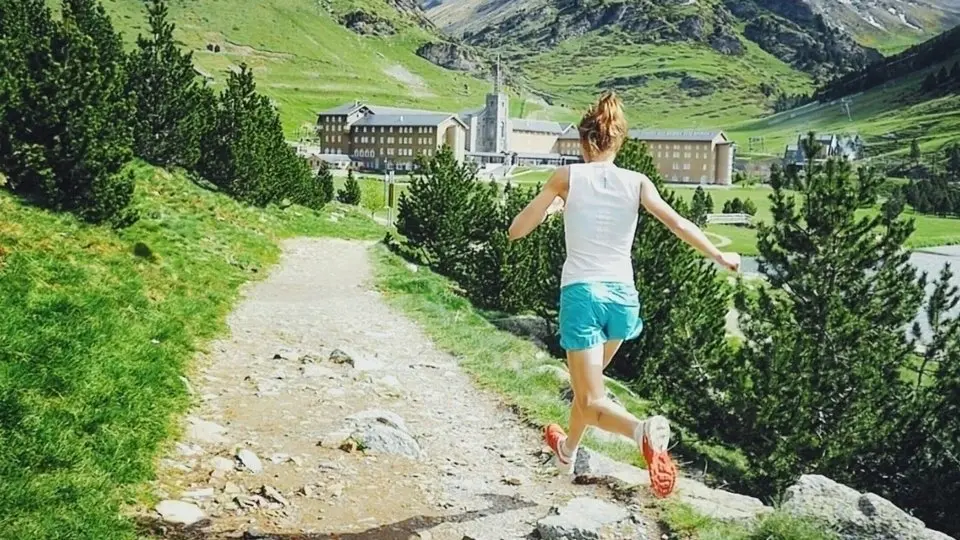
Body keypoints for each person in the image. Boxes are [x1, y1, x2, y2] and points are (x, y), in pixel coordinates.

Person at [507, 92, 740, 499]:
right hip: (622, 299)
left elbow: (516, 230)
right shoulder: (637, 182)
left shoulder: (566, 178)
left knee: (593, 397)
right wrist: (720, 255)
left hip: (583, 296)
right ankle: (568, 450)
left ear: (583, 141)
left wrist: (549, 208)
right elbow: (679, 223)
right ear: (619, 142)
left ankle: (641, 432)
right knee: (587, 391)